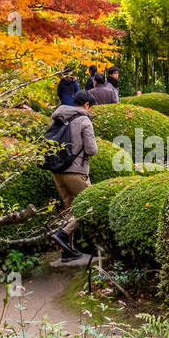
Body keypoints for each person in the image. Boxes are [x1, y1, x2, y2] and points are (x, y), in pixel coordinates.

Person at [48, 91, 98, 261]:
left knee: (69, 211)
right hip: (76, 171)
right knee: (89, 205)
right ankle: (62, 235)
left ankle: (66, 252)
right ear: (86, 105)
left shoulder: (58, 117)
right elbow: (92, 150)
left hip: (57, 171)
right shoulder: (84, 120)